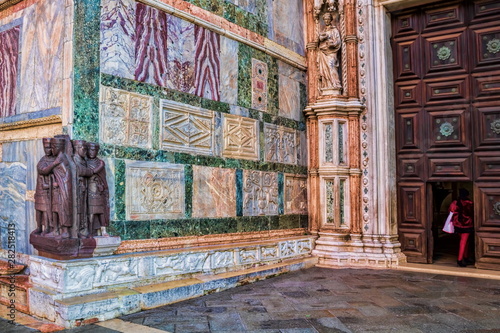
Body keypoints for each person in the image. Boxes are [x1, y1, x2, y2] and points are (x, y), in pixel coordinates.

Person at [449, 188, 474, 267]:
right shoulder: (469, 203)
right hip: (467, 224)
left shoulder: (455, 202)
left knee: (464, 241)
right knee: (464, 242)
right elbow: (472, 213)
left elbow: (451, 211)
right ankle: (460, 259)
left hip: (457, 224)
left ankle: (465, 257)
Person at [317, 12, 342, 90]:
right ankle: (326, 85)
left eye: (328, 19)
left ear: (331, 20)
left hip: (331, 52)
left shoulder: (334, 30)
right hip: (323, 51)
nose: (327, 21)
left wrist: (333, 44)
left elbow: (338, 41)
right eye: (325, 19)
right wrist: (320, 38)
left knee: (331, 66)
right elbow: (317, 41)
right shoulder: (323, 31)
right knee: (324, 69)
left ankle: (335, 84)